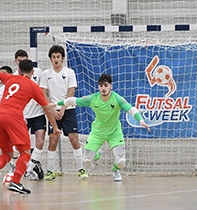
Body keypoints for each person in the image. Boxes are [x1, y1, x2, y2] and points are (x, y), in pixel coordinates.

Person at [50, 73, 151, 182]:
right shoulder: (93, 98)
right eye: (101, 86)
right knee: (87, 160)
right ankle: (97, 155)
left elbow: (131, 109)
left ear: (110, 87)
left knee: (121, 161)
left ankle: (115, 170)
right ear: (98, 87)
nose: (103, 88)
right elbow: (73, 101)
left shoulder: (117, 98)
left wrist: (140, 120)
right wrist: (56, 103)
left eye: (106, 85)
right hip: (98, 132)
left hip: (114, 132)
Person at [0, 59, 61, 194]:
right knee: (25, 153)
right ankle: (15, 182)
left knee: (7, 153)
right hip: (13, 118)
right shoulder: (33, 86)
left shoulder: (10, 77)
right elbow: (48, 110)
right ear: (33, 72)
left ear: (19, 70)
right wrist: (55, 127)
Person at [40, 45, 88, 180]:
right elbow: (43, 93)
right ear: (50, 59)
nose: (56, 59)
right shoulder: (45, 74)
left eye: (58, 57)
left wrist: (62, 108)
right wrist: (52, 110)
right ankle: (50, 171)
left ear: (63, 58)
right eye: (53, 57)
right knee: (53, 139)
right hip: (52, 112)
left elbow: (71, 92)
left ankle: (81, 169)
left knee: (74, 139)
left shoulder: (69, 72)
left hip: (68, 110)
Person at [13, 49, 46, 180]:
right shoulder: (14, 77)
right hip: (23, 116)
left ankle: (30, 168)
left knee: (40, 141)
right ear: (16, 62)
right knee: (18, 146)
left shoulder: (37, 72)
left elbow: (43, 91)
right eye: (20, 61)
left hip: (38, 114)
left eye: (25, 60)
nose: (22, 63)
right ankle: (16, 167)